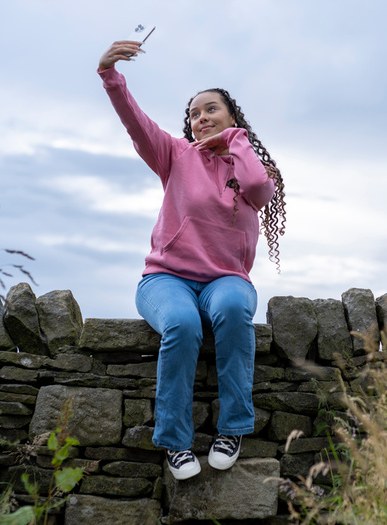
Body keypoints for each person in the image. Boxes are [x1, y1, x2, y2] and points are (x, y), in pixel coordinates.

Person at [97, 40, 286, 480]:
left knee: (235, 310)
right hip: (166, 279)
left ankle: (233, 428)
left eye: (210, 110)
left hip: (226, 280)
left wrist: (235, 141)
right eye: (193, 114)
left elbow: (258, 190)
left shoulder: (250, 164)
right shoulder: (174, 155)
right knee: (181, 325)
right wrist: (110, 74)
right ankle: (175, 441)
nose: (200, 118)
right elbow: (135, 121)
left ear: (232, 117)